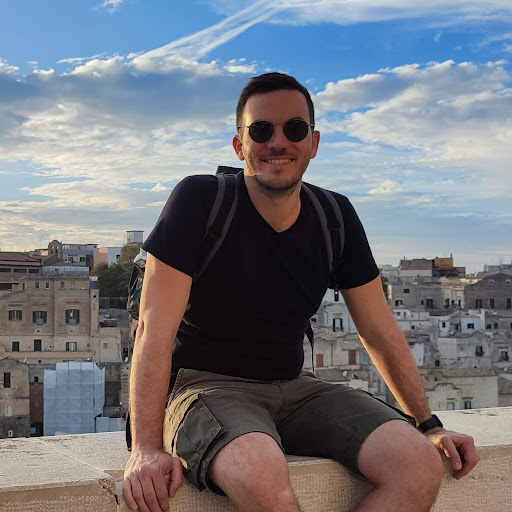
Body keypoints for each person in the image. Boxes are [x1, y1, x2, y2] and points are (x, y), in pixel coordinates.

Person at [123, 72, 480, 512]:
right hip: (205, 388)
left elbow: (379, 330)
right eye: (261, 130)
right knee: (257, 468)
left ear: (313, 142)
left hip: (295, 387)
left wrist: (429, 425)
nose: (278, 142)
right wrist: (145, 449)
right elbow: (153, 330)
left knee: (418, 464)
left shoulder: (334, 216)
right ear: (239, 145)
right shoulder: (200, 200)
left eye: (294, 129)